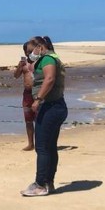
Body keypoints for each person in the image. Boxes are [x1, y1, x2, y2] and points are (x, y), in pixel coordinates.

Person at [21, 36, 67, 197]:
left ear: (40, 47)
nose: (29, 54)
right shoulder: (50, 58)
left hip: (50, 107)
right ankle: (49, 182)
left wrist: (38, 99)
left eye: (31, 51)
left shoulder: (47, 59)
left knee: (41, 147)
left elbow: (50, 79)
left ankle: (40, 184)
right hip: (55, 106)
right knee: (50, 147)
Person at [13, 41, 35, 151]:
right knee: (28, 120)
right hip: (27, 93)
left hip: (37, 93)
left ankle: (41, 142)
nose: (28, 53)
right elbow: (16, 76)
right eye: (26, 51)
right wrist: (19, 67)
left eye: (30, 51)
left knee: (40, 119)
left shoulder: (39, 61)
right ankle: (31, 144)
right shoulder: (23, 63)